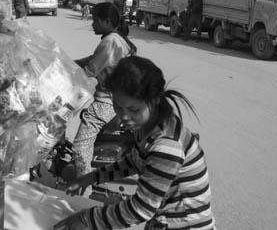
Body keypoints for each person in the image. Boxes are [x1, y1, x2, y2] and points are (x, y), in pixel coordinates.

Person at [55, 56, 215, 230]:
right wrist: (93, 177)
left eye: (134, 109)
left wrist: (88, 219)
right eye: (118, 107)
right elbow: (134, 161)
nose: (124, 117)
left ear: (154, 101)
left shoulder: (166, 146)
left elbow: (141, 208)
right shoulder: (149, 125)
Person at [72, 2, 137, 181]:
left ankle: (84, 189)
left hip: (105, 102)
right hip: (118, 99)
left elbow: (91, 70)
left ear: (107, 22)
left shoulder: (110, 41)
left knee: (79, 149)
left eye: (95, 20)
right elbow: (93, 59)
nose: (92, 24)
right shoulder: (118, 39)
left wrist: (66, 81)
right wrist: (70, 62)